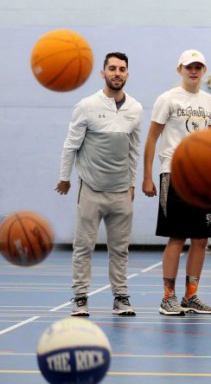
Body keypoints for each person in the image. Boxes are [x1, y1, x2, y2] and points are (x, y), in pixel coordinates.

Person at [56, 52, 142, 317]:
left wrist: (131, 183)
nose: (118, 73)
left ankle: (120, 298)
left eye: (122, 69)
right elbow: (71, 145)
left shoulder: (135, 109)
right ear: (103, 73)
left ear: (127, 74)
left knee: (120, 249)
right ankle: (80, 298)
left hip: (120, 193)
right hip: (91, 189)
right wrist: (65, 177)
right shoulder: (87, 105)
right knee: (84, 247)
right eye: (113, 68)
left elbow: (133, 150)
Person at [142, 49, 211, 316]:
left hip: (200, 177)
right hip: (173, 173)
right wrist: (148, 176)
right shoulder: (167, 99)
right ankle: (168, 297)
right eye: (189, 67)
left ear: (204, 71)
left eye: (198, 66)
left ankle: (191, 295)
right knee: (177, 237)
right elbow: (151, 138)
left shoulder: (210, 102)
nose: (194, 71)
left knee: (200, 239)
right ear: (180, 70)